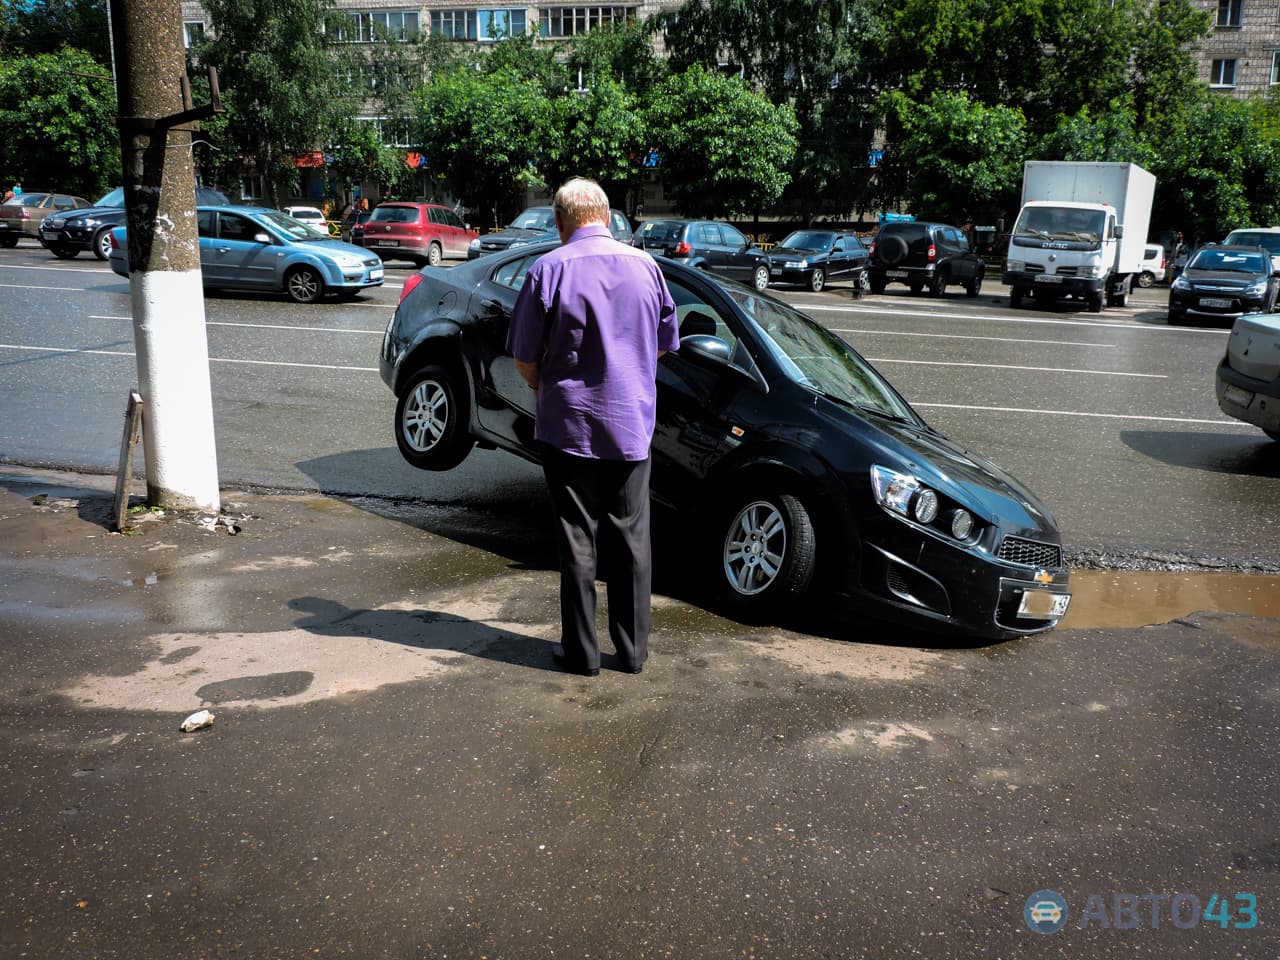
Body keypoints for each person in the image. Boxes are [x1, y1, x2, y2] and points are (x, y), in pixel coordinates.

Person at [507, 177, 679, 677]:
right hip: (630, 424)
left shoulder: (548, 269)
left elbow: (524, 358)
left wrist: (550, 388)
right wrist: (627, 369)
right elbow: (665, 341)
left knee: (578, 540)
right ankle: (632, 653)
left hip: (568, 428)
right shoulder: (647, 267)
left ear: (562, 221)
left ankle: (581, 655)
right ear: (606, 216)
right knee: (631, 539)